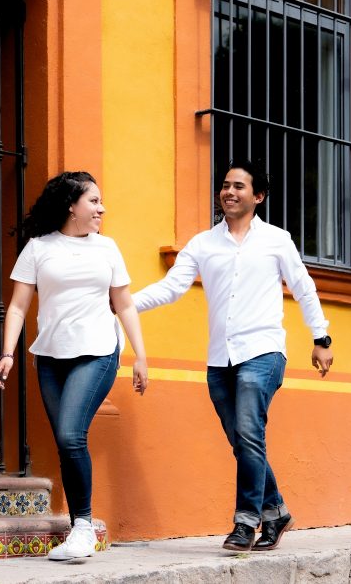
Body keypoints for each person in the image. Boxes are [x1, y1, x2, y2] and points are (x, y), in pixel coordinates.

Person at [132, 159, 333, 552]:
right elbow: (172, 287)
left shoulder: (277, 239)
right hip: (220, 360)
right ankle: (276, 511)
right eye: (225, 185)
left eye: (239, 186)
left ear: (258, 196)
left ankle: (246, 522)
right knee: (244, 441)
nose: (229, 192)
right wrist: (123, 304)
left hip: (263, 351)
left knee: (247, 433)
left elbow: (303, 288)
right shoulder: (203, 243)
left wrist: (321, 337)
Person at [0, 171, 149, 562]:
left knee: (70, 433)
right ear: (71, 205)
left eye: (101, 201)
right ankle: (80, 525)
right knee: (67, 441)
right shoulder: (38, 248)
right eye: (94, 201)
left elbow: (125, 304)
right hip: (50, 356)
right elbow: (17, 306)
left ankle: (82, 527)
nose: (102, 208)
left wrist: (140, 356)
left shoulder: (107, 248)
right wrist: (8, 352)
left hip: (98, 351)